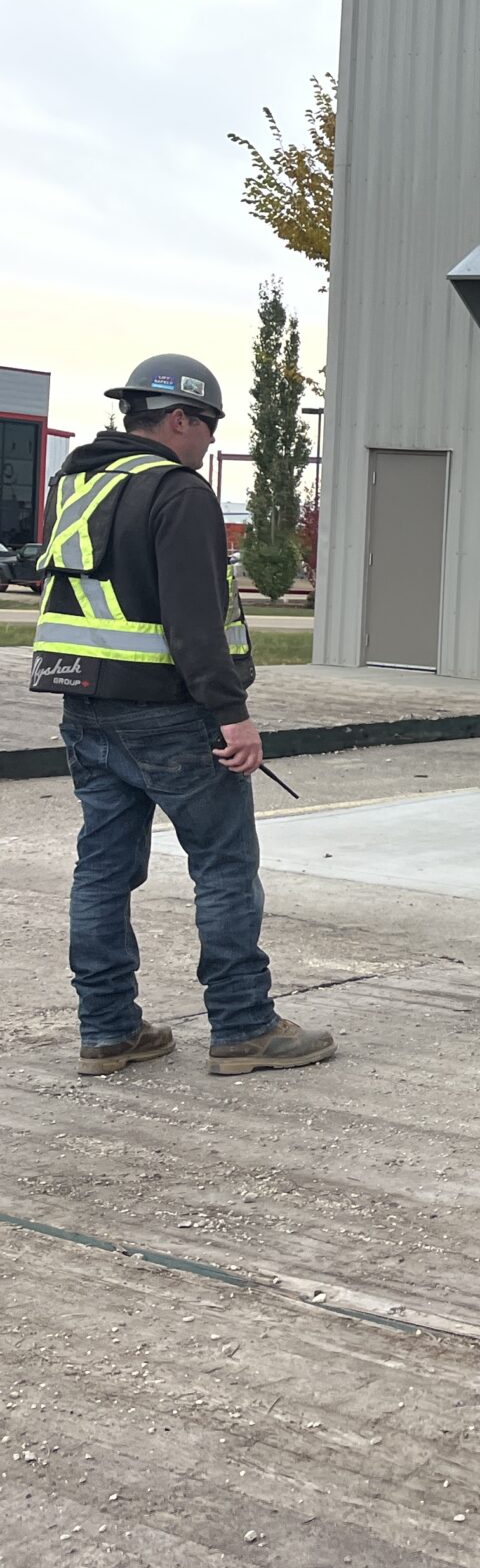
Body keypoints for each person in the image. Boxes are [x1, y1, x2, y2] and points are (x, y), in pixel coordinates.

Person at [30, 356, 335, 1078]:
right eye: (208, 427)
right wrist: (232, 715)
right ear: (178, 419)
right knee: (225, 866)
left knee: (102, 871)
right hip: (170, 717)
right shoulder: (177, 491)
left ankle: (107, 1030)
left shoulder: (73, 486)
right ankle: (243, 1026)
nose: (206, 443)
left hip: (86, 709)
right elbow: (192, 621)